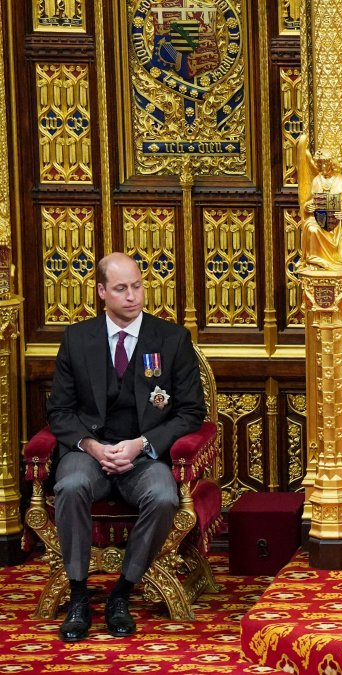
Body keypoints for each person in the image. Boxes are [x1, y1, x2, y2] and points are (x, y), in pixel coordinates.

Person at [46, 252, 205, 641]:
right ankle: (80, 594)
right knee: (69, 486)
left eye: (137, 286)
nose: (132, 296)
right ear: (102, 291)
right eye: (121, 288)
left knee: (164, 496)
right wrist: (93, 447)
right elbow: (60, 412)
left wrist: (141, 444)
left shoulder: (171, 339)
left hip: (143, 456)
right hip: (89, 454)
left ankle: (122, 592)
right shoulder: (76, 339)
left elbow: (190, 412)